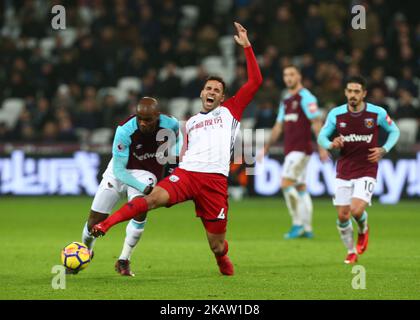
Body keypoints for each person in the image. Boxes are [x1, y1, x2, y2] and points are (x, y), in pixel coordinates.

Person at [90, 22, 263, 276]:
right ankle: (106, 224)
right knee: (150, 200)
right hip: (187, 175)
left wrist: (247, 47)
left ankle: (221, 257)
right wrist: (173, 172)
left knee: (216, 245)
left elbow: (255, 81)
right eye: (208, 88)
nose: (212, 91)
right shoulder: (190, 122)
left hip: (214, 181)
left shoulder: (231, 111)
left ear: (223, 97)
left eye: (217, 90)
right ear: (202, 93)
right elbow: (185, 152)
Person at [79, 97, 179, 276]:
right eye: (139, 117)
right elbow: (119, 170)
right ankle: (86, 250)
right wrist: (145, 188)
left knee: (140, 210)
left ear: (157, 116)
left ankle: (124, 259)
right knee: (94, 221)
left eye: (147, 119)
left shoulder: (170, 124)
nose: (142, 122)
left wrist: (173, 163)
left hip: (146, 172)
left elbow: (178, 139)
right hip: (120, 171)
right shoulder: (125, 130)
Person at [318, 76, 400, 264]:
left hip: (367, 167)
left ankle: (363, 229)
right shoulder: (336, 114)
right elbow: (322, 136)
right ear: (346, 92)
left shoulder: (377, 113)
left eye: (357, 91)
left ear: (364, 94)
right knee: (342, 215)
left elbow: (395, 131)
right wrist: (331, 143)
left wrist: (384, 149)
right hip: (344, 168)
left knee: (355, 210)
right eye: (350, 91)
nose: (352, 95)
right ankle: (350, 250)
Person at [258, 65, 329, 239]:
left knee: (285, 184)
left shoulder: (306, 97)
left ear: (299, 76)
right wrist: (266, 147)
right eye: (285, 75)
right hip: (291, 150)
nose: (288, 78)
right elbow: (278, 126)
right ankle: (308, 228)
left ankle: (297, 225)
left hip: (301, 150)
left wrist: (321, 147)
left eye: (292, 74)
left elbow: (316, 122)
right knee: (301, 187)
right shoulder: (286, 101)